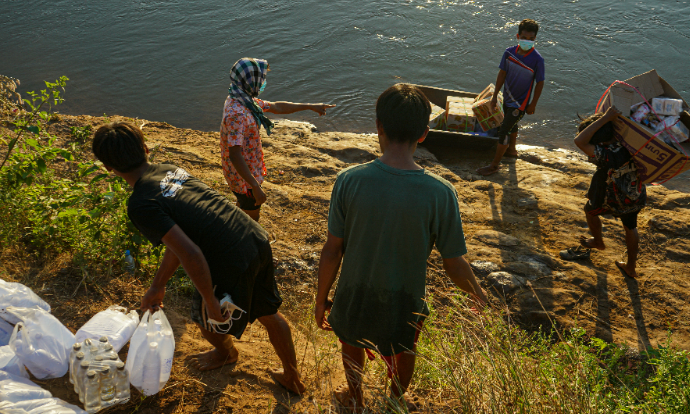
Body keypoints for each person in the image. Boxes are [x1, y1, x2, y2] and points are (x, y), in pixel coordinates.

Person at [92, 122, 306, 394]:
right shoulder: (168, 169)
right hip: (253, 236)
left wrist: (210, 300)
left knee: (207, 319)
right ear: (145, 148)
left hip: (228, 256)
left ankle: (226, 354)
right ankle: (291, 376)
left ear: (107, 167)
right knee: (268, 312)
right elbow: (179, 244)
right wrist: (158, 285)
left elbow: (190, 253)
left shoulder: (141, 203)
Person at [315, 84, 488, 412]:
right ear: (424, 133)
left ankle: (355, 397)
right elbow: (454, 263)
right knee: (404, 348)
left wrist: (321, 298)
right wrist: (477, 294)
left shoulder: (349, 180)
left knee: (351, 341)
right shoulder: (440, 193)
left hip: (353, 292)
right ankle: (394, 401)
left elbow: (332, 250)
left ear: (378, 126)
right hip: (405, 298)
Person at [221, 57, 335, 221]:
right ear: (250, 81)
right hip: (243, 179)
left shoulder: (242, 98)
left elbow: (276, 107)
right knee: (251, 220)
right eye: (261, 79)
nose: (262, 83)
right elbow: (235, 154)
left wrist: (310, 106)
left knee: (243, 208)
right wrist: (254, 186)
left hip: (247, 172)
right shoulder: (237, 113)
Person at [560, 106, 647, 278]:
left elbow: (580, 141)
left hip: (611, 197)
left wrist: (606, 117)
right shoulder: (630, 144)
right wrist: (608, 119)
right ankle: (631, 267)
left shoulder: (606, 154)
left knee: (590, 211)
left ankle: (598, 241)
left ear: (598, 142)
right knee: (631, 227)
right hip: (635, 195)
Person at [477, 19, 546, 176]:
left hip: (520, 104)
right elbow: (502, 74)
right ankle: (512, 150)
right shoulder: (509, 53)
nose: (527, 41)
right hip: (507, 98)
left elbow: (540, 83)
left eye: (531, 39)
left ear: (535, 39)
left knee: (503, 131)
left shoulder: (537, 59)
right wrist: (495, 96)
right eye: (524, 37)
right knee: (511, 125)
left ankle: (494, 165)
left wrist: (533, 104)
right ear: (518, 36)